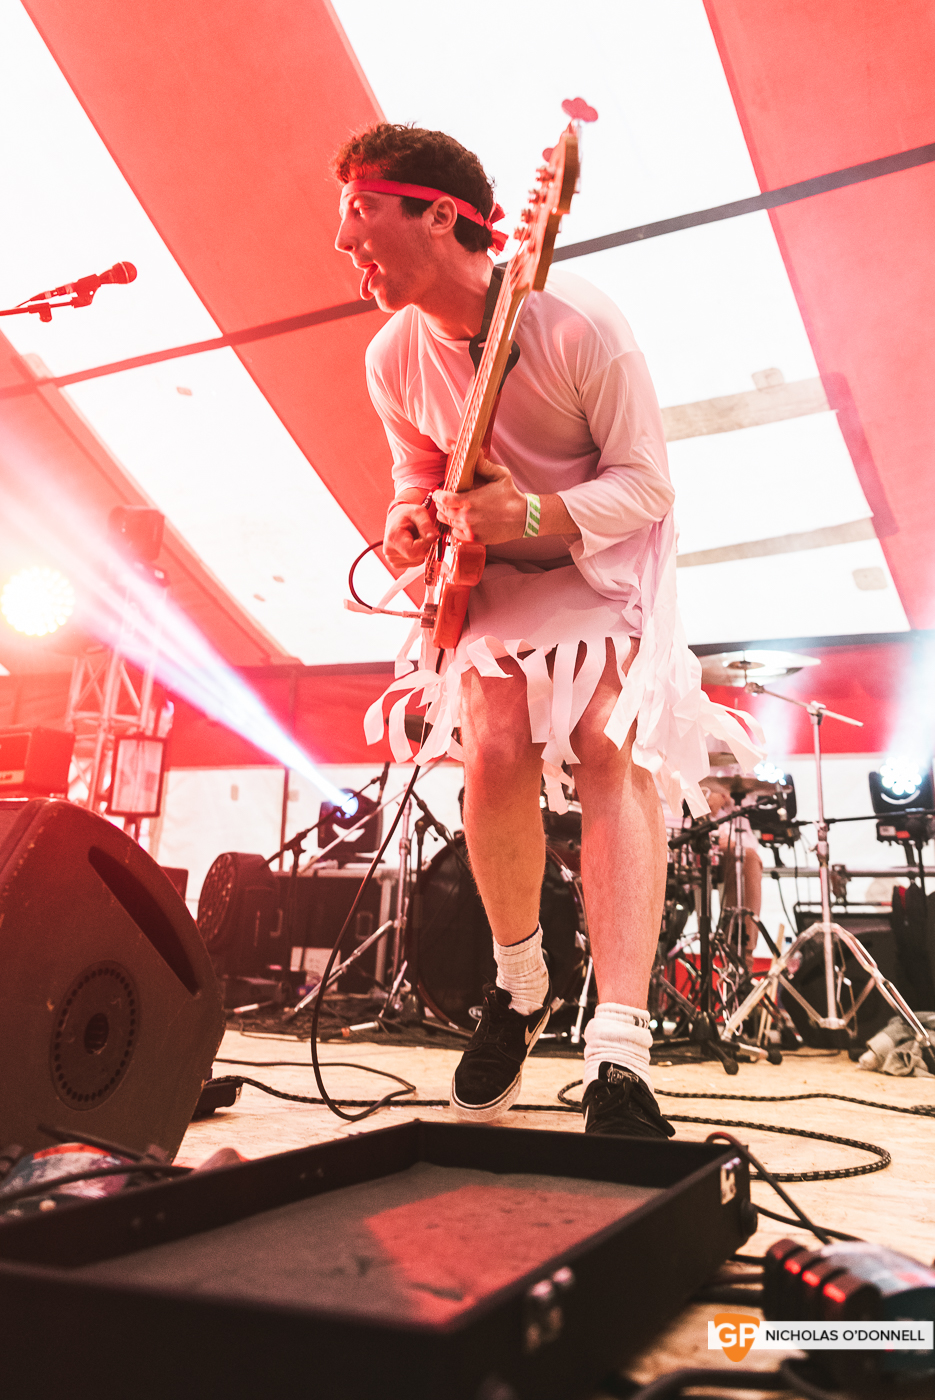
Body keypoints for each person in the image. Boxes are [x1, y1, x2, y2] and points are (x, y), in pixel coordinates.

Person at [333, 123, 759, 1138]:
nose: (345, 247)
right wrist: (406, 515)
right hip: (486, 580)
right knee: (491, 747)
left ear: (438, 214)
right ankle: (519, 985)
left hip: (595, 559)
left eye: (360, 219)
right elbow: (415, 463)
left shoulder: (578, 323)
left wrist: (529, 515)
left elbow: (648, 482)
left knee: (607, 743)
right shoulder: (391, 354)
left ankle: (617, 1047)